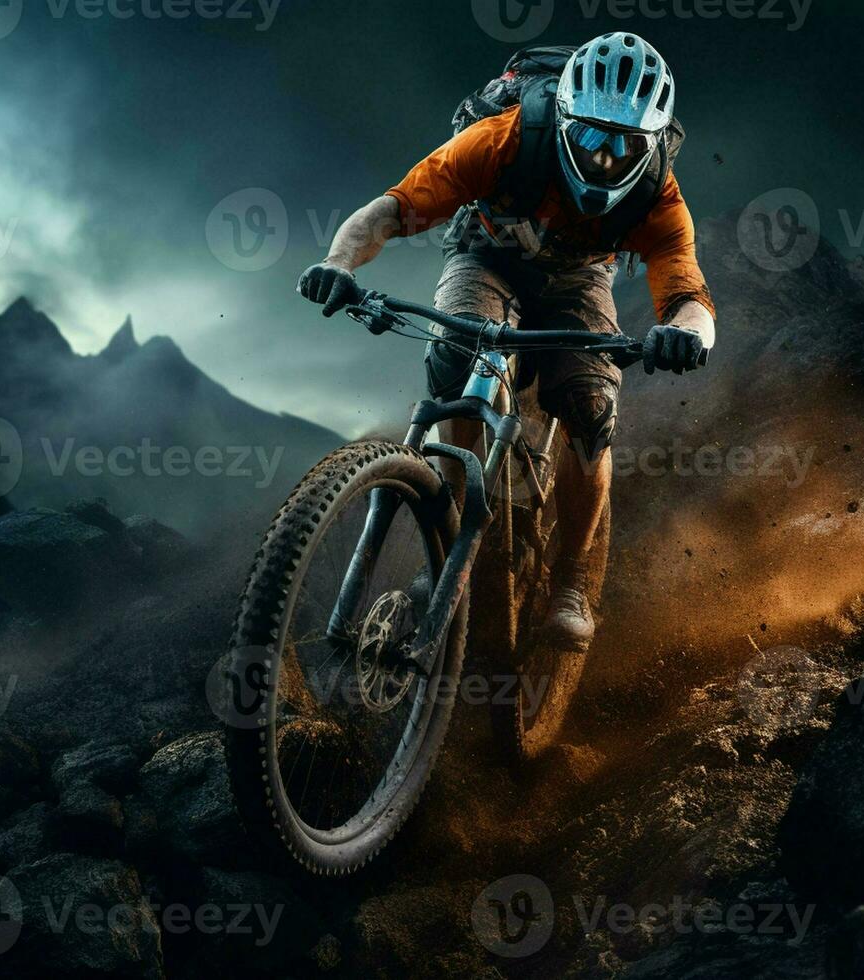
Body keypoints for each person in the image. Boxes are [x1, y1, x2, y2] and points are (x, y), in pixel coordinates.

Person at [297, 33, 715, 649]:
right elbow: (392, 208)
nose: (604, 159)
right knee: (455, 357)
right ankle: (454, 537)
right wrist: (339, 262)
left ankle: (572, 581)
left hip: (578, 278)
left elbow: (689, 297)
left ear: (652, 145)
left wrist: (685, 336)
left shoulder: (658, 197)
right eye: (593, 137)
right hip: (484, 255)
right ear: (566, 120)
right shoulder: (505, 139)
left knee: (590, 411)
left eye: (625, 146)